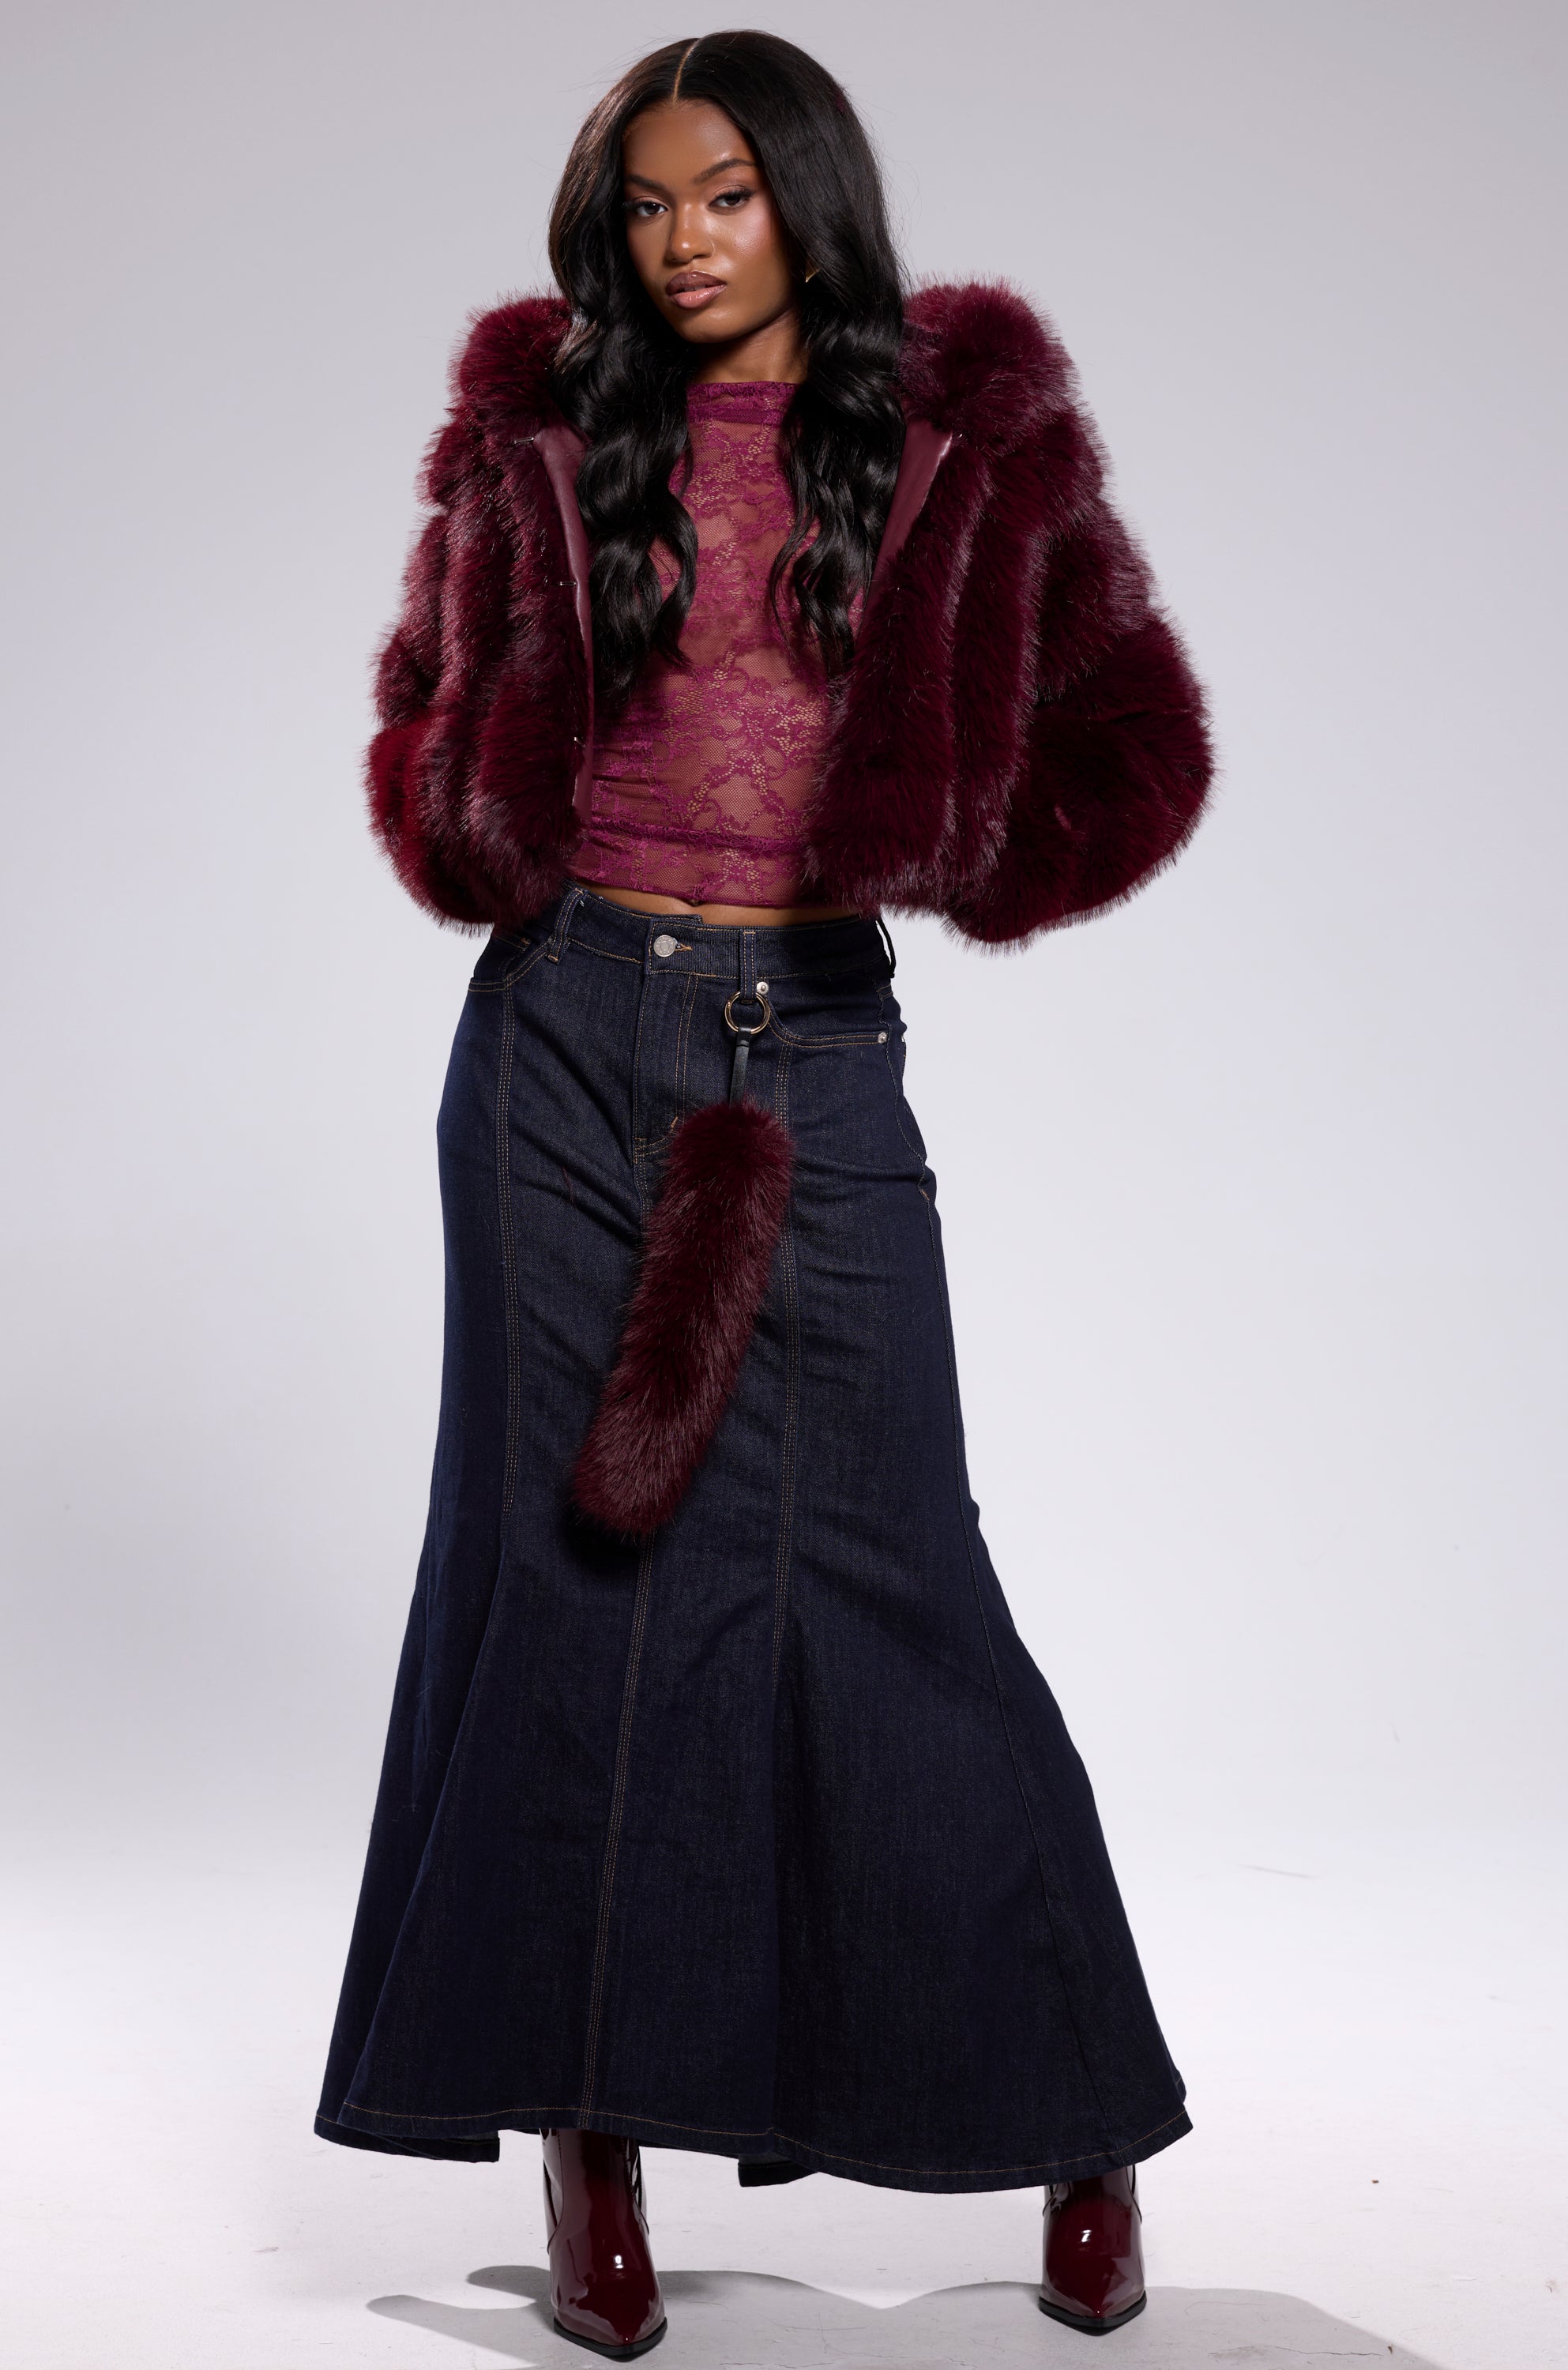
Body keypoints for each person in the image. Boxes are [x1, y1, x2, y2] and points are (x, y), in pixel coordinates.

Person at [316, 29, 1212, 2359]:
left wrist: (961, 838)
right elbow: (426, 702)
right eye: (646, 204)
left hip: (805, 1043)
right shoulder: (541, 439)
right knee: (567, 1579)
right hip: (552, 1042)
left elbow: (1134, 744)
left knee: (891, 1579)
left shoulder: (965, 454)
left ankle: (1072, 2118)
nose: (684, 241)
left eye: (723, 194)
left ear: (808, 199)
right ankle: (585, 2127)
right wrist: (465, 795)